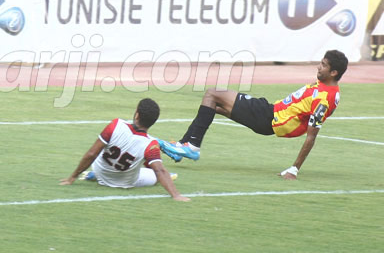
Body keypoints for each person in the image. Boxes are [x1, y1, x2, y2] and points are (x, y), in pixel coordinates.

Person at [159, 50, 348, 180]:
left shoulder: (325, 99)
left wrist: (294, 169)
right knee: (212, 106)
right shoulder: (325, 88)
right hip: (269, 112)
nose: (318, 67)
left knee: (212, 93)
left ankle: (191, 146)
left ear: (333, 72)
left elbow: (311, 136)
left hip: (268, 118)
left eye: (323, 65)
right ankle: (184, 147)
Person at [59, 98, 191, 201]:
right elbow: (159, 170)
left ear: (137, 115)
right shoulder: (151, 143)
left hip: (100, 171)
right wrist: (176, 195)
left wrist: (72, 177)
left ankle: (92, 175)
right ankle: (168, 176)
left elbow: (92, 154)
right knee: (155, 172)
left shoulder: (116, 125)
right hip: (124, 182)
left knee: (105, 147)